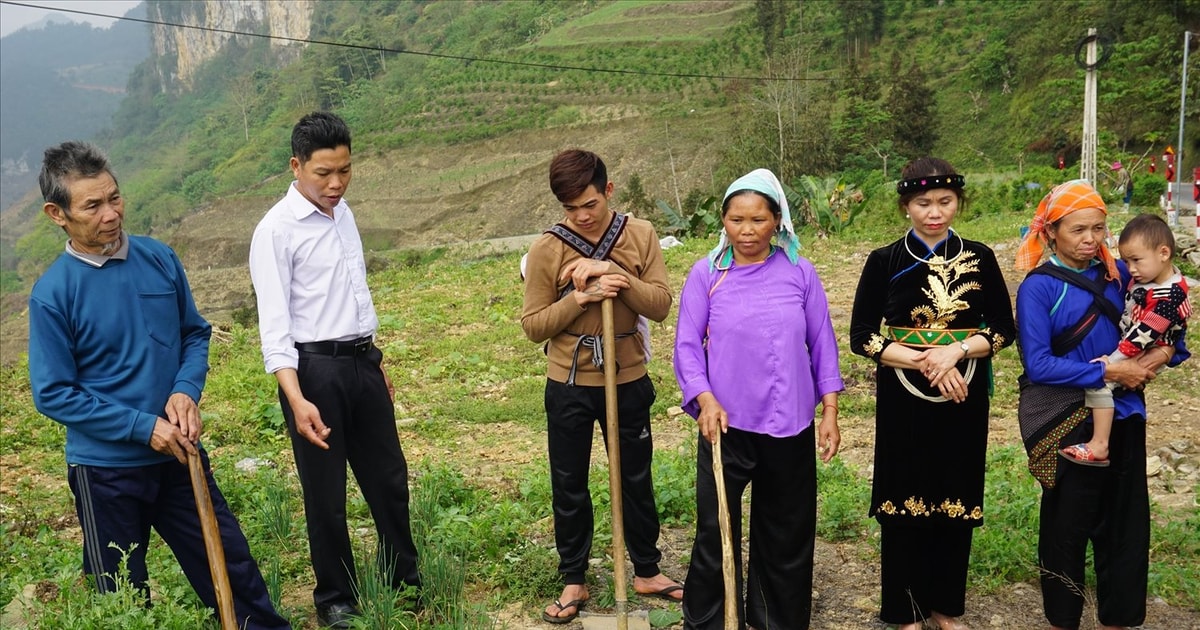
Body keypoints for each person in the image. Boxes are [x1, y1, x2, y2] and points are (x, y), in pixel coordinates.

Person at [27, 141, 290, 630]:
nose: (111, 214)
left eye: (115, 198)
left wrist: (185, 390)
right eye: (92, 205)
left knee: (230, 570)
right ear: (56, 214)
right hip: (105, 472)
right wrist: (141, 427)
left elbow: (193, 332)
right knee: (122, 595)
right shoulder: (53, 294)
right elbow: (53, 392)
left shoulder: (159, 259)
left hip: (180, 455)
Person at [249, 112, 419, 629]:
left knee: (389, 477)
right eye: (324, 172)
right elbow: (275, 327)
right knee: (325, 491)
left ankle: (402, 580)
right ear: (296, 166)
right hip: (313, 371)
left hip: (362, 362)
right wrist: (296, 398)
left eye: (345, 170)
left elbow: (353, 293)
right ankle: (335, 598)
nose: (336, 183)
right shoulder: (275, 231)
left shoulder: (341, 213)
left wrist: (375, 357)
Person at [1014, 179, 1188, 630]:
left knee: (1125, 529)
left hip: (1126, 414)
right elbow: (1038, 365)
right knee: (1066, 529)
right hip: (1066, 419)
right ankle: (1063, 620)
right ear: (1051, 232)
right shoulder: (1038, 289)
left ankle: (1118, 620)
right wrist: (1109, 372)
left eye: (1098, 228)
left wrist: (1163, 353)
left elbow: (1168, 322)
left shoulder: (1121, 276)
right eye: (1078, 230)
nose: (1090, 239)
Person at [849, 158, 1015, 630]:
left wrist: (958, 351)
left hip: (963, 397)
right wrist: (928, 360)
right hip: (904, 397)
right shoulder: (884, 261)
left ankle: (946, 607)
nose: (935, 212)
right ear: (906, 206)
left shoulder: (980, 257)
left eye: (945, 202)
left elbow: (1004, 329)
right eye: (923, 203)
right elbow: (862, 336)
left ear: (958, 202)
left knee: (954, 493)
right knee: (904, 498)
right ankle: (903, 612)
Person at [673, 168, 843, 630]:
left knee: (785, 532)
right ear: (723, 221)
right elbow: (687, 345)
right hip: (724, 425)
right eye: (736, 219)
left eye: (758, 220)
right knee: (716, 531)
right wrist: (704, 399)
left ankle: (776, 621)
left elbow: (821, 342)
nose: (747, 231)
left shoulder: (799, 272)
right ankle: (709, 621)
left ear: (778, 222)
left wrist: (829, 410)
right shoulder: (707, 274)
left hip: (790, 423)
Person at [520, 149, 682, 624]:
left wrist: (614, 274)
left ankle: (647, 569)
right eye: (571, 209)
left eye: (590, 204)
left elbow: (659, 304)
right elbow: (533, 326)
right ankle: (574, 578)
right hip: (568, 381)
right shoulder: (547, 249)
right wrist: (580, 297)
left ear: (608, 191)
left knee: (636, 477)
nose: (583, 216)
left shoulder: (640, 234)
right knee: (569, 482)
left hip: (627, 377)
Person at [1060, 214, 1191, 467]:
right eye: (1127, 260)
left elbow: (1143, 336)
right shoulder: (1154, 280)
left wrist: (1112, 362)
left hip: (1146, 346)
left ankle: (1099, 444)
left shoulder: (1169, 296)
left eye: (1136, 261)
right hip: (1143, 345)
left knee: (1100, 382)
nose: (1130, 269)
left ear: (1164, 253)